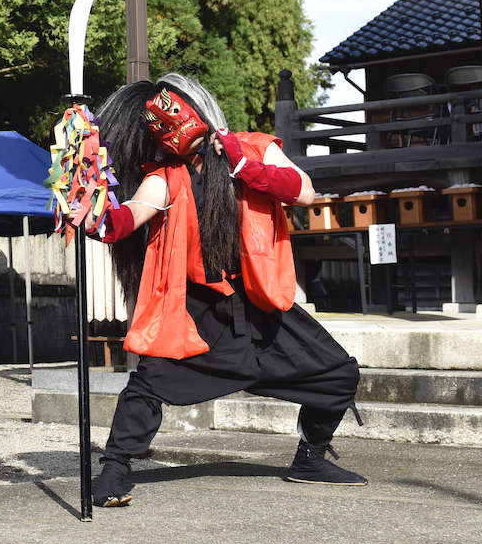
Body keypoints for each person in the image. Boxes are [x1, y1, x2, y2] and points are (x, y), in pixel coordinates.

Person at [86, 73, 366, 507]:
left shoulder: (257, 148)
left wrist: (244, 165)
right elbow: (128, 218)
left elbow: (304, 193)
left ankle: (310, 458)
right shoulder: (167, 176)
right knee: (150, 383)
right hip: (199, 310)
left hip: (260, 301)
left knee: (337, 373)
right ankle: (115, 469)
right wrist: (93, 211)